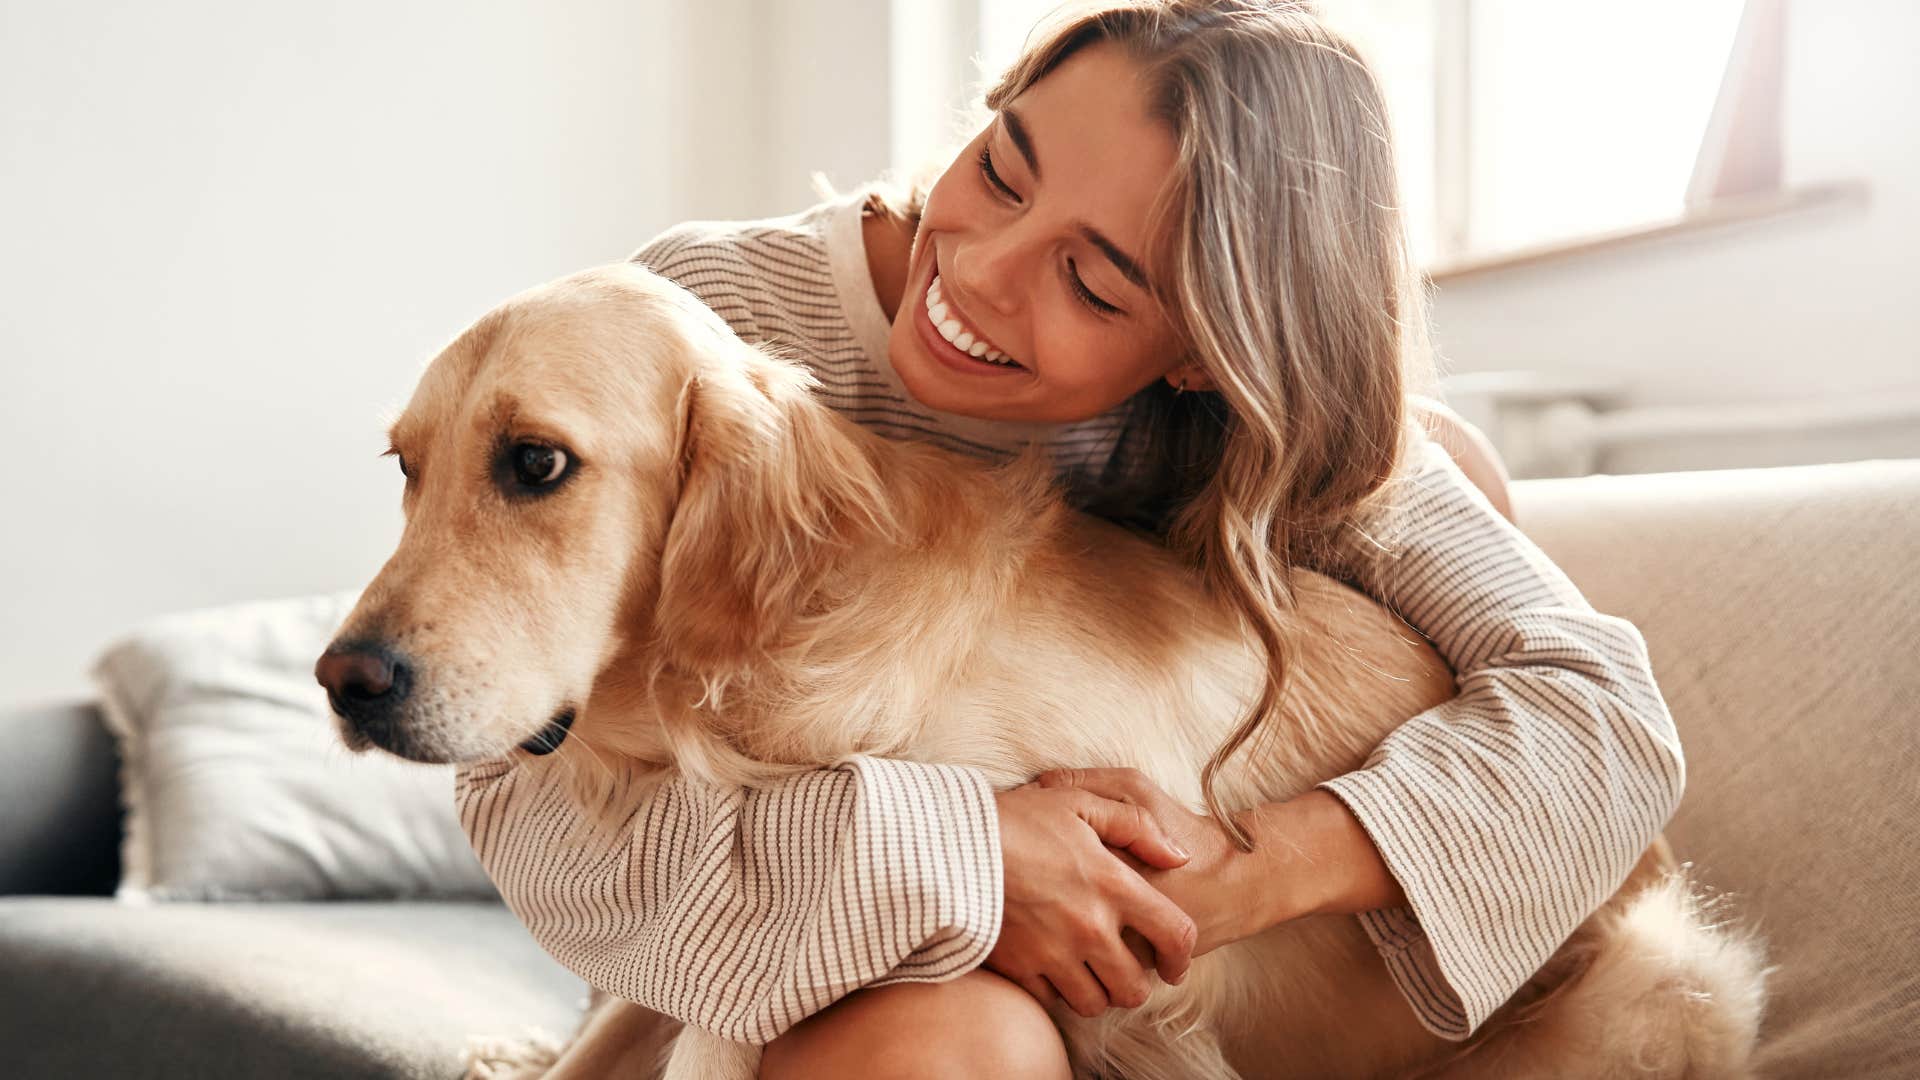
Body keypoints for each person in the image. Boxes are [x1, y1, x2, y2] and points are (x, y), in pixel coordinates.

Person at [454, 2, 1684, 1075]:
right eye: (1000, 166)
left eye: (1093, 285)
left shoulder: (1265, 431)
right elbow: (523, 800)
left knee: (1455, 459)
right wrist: (974, 858)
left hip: (1175, 950)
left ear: (1205, 358)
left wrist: (1235, 875)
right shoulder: (706, 328)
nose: (981, 273)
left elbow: (1608, 715)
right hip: (817, 928)